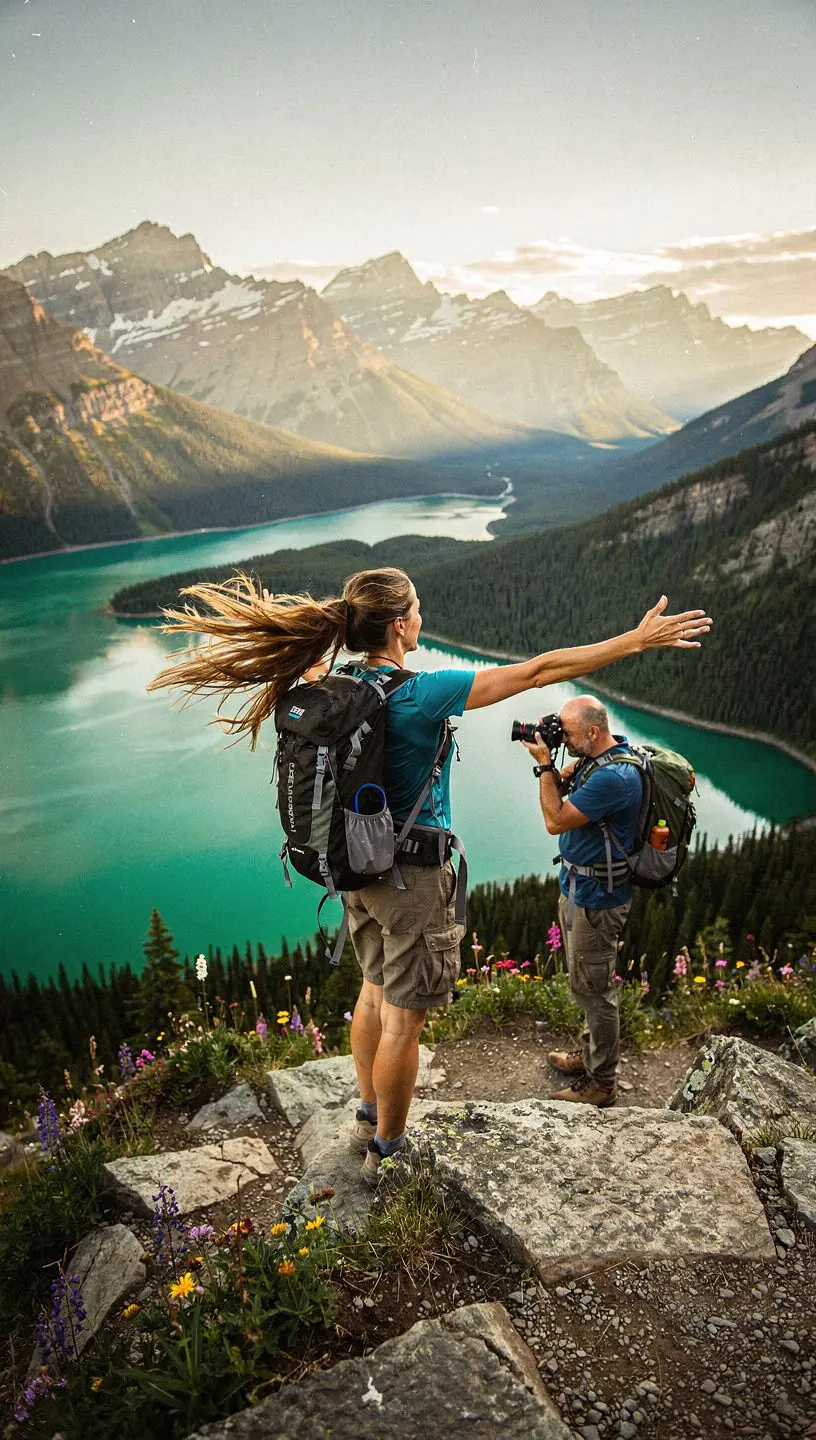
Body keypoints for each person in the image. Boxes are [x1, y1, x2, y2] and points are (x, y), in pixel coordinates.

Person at [148, 569, 711, 1181]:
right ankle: (387, 1152)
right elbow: (537, 671)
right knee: (403, 1018)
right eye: (415, 608)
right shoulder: (423, 693)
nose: (421, 616)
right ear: (398, 625)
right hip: (413, 879)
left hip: (357, 871)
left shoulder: (336, 684)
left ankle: (368, 1115)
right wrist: (632, 641)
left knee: (371, 992)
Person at [522, 695, 644, 1108]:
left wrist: (542, 766)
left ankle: (601, 1082)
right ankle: (590, 1054)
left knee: (595, 990)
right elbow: (561, 790)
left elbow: (554, 820)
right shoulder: (599, 757)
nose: (566, 740)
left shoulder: (613, 778)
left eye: (568, 733)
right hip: (579, 890)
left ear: (593, 732)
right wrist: (554, 759)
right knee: (584, 983)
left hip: (597, 900)